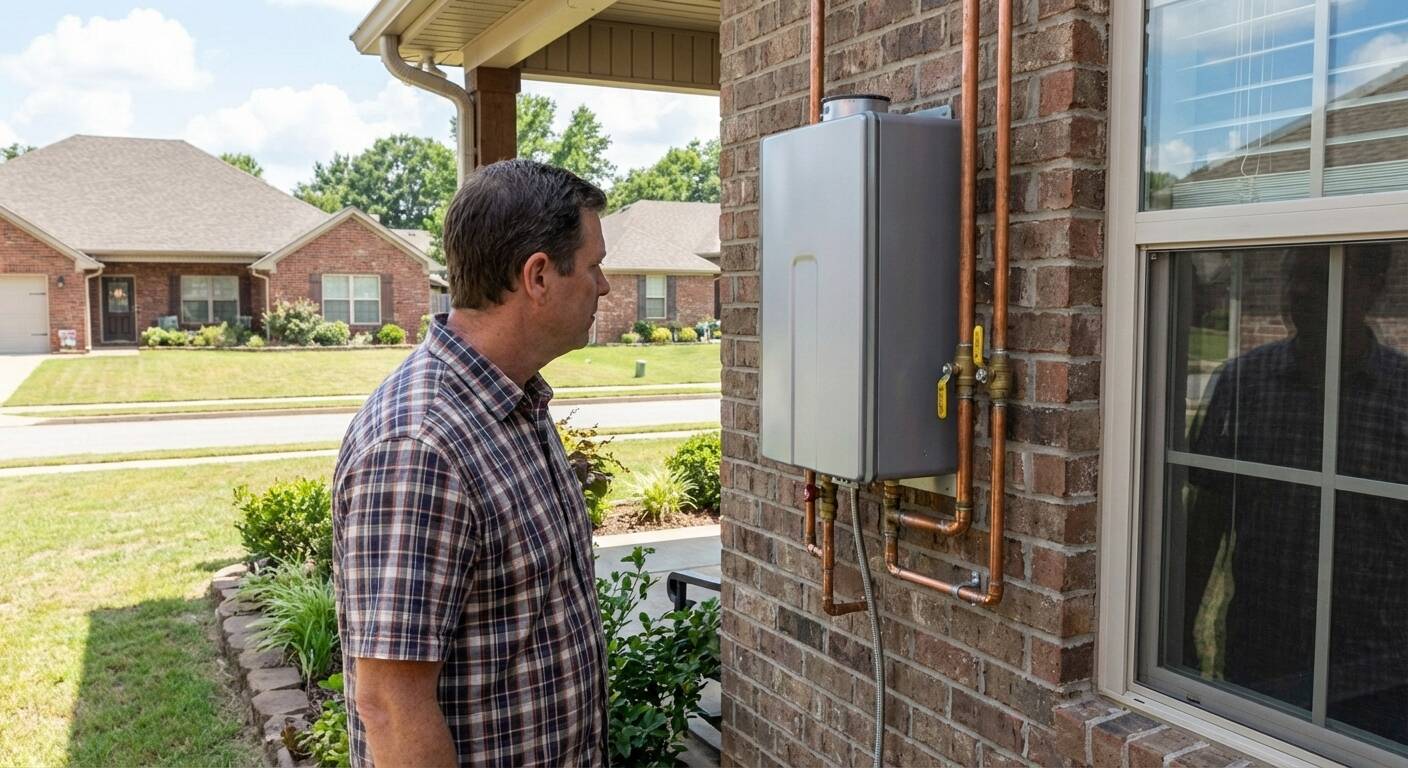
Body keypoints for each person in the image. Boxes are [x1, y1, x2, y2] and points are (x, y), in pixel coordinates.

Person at [331, 160, 612, 767]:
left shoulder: (514, 401)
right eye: (593, 266)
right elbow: (389, 704)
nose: (605, 286)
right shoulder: (420, 447)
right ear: (538, 276)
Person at [1182, 244, 1408, 743]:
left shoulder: (1402, 395)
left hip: (1380, 676)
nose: (1301, 290)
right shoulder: (1243, 383)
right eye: (1294, 276)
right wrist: (1176, 635)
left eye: (1321, 277)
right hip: (1261, 660)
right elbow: (1206, 521)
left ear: (1373, 287)